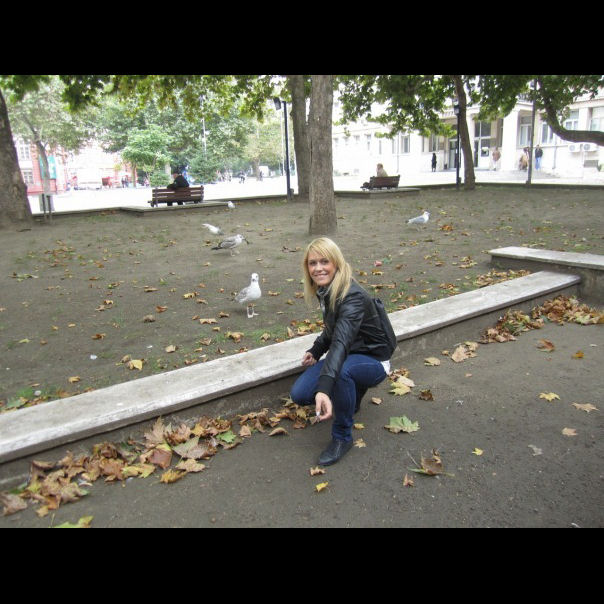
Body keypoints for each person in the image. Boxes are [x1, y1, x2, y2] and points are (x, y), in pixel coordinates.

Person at [290, 237, 393, 466]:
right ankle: (352, 395)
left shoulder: (352, 296)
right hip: (348, 355)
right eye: (312, 263)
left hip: (374, 360)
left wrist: (324, 389)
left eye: (324, 261)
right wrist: (316, 350)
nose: (318, 268)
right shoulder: (326, 289)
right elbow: (332, 330)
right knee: (300, 394)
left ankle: (342, 437)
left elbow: (340, 343)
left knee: (342, 373)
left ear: (336, 263)